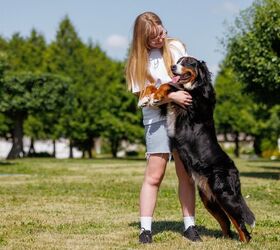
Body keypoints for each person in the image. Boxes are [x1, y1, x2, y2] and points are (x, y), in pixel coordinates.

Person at [125, 12, 202, 244]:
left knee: (185, 175)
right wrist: (171, 97)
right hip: (156, 120)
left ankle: (190, 226)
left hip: (182, 120)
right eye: (154, 37)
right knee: (154, 175)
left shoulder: (176, 47)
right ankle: (145, 230)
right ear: (143, 39)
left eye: (162, 32)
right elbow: (143, 98)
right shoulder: (138, 63)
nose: (160, 38)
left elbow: (193, 77)